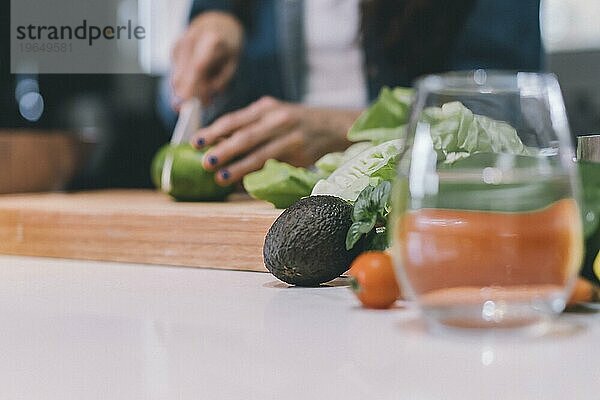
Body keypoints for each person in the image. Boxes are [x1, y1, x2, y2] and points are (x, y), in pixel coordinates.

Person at [168, 0, 542, 186]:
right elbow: (175, 115)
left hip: (416, 208)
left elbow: (504, 109)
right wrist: (215, 22)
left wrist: (351, 129)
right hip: (266, 224)